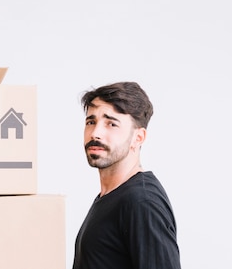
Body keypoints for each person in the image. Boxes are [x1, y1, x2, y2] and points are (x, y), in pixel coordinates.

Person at [72, 82, 181, 269]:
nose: (96, 133)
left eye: (111, 124)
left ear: (138, 138)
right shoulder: (112, 196)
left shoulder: (142, 202)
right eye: (91, 122)